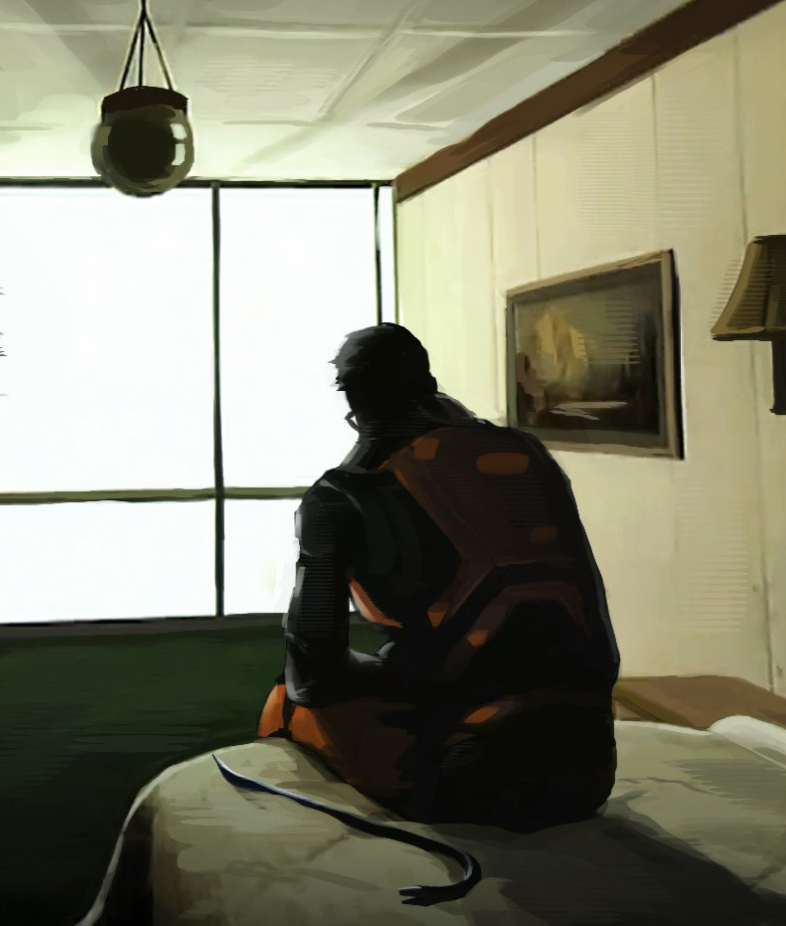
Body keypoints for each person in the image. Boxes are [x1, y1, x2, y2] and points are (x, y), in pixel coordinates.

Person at [257, 323, 620, 833]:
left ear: (354, 404)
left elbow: (312, 676)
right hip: (587, 764)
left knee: (285, 706)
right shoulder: (526, 457)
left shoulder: (342, 496)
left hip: (461, 775)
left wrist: (379, 667)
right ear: (427, 383)